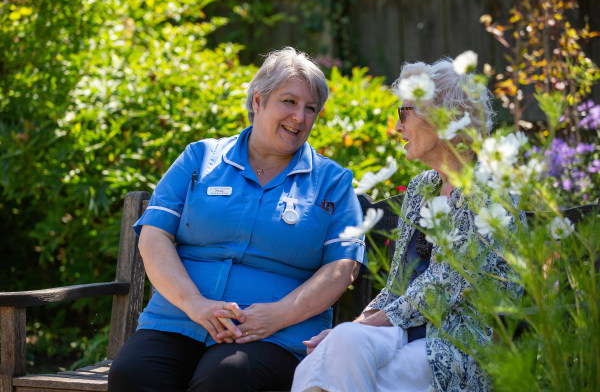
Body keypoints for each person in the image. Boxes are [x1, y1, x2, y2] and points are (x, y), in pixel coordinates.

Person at [107, 47, 366, 392]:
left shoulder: (331, 181)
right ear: (258, 101)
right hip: (179, 320)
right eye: (288, 101)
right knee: (133, 374)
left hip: (273, 335)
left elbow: (343, 266)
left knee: (226, 377)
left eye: (311, 109)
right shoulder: (200, 158)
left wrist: (278, 315)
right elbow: (153, 236)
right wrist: (196, 305)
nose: (300, 117)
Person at [291, 58, 524, 392]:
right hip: (402, 330)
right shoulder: (422, 187)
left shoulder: (490, 195)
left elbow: (442, 289)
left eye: (404, 113)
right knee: (329, 352)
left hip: (455, 345)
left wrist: (364, 326)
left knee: (342, 368)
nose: (396, 127)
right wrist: (357, 327)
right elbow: (399, 283)